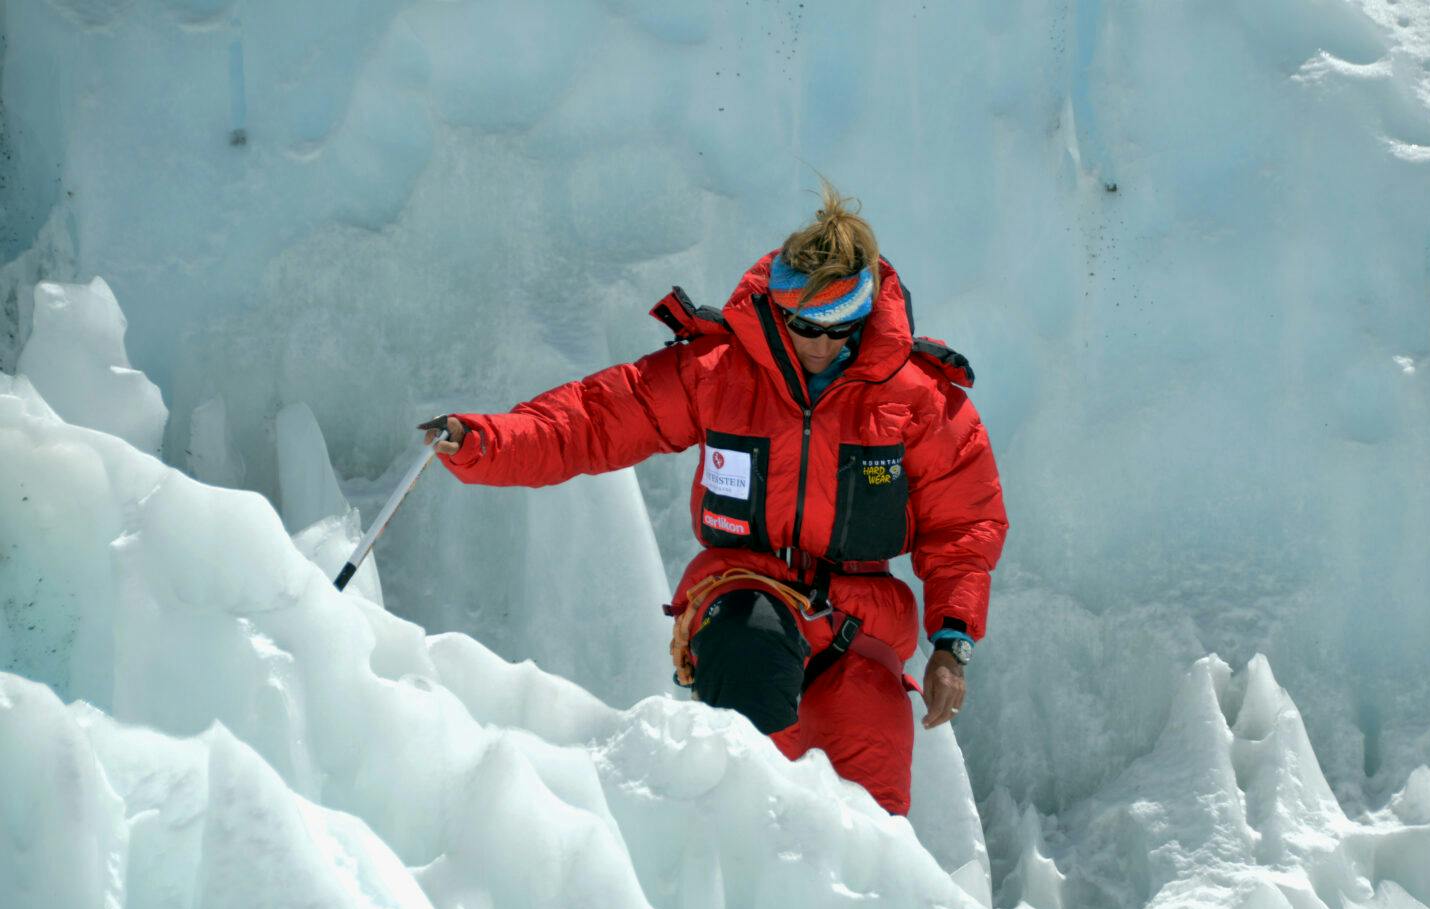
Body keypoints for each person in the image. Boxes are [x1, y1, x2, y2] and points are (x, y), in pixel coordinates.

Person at [424, 184, 1007, 816]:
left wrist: (952, 644)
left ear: (863, 318)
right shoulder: (720, 370)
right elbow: (595, 420)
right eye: (800, 325)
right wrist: (483, 442)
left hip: (859, 632)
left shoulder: (920, 400)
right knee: (747, 768)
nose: (815, 343)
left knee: (872, 826)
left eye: (837, 329)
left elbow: (963, 526)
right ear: (778, 309)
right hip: (743, 593)